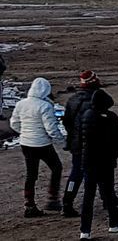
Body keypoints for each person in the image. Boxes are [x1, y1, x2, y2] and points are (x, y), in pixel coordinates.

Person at [10, 76, 65, 218]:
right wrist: (63, 141)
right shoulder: (45, 106)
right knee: (56, 167)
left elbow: (14, 123)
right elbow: (51, 129)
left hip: (26, 143)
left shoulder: (21, 104)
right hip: (42, 144)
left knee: (31, 174)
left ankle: (29, 204)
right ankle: (53, 198)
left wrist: (25, 133)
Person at [78, 88, 118, 238]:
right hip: (105, 161)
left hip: (89, 161)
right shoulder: (111, 117)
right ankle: (114, 223)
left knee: (88, 196)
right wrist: (114, 157)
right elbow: (116, 141)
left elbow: (81, 139)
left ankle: (85, 231)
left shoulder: (86, 115)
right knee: (108, 193)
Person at [60, 70, 100, 217]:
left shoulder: (72, 100)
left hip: (76, 144)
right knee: (101, 171)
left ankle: (67, 202)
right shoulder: (96, 100)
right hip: (93, 144)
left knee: (76, 173)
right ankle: (108, 199)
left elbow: (67, 122)